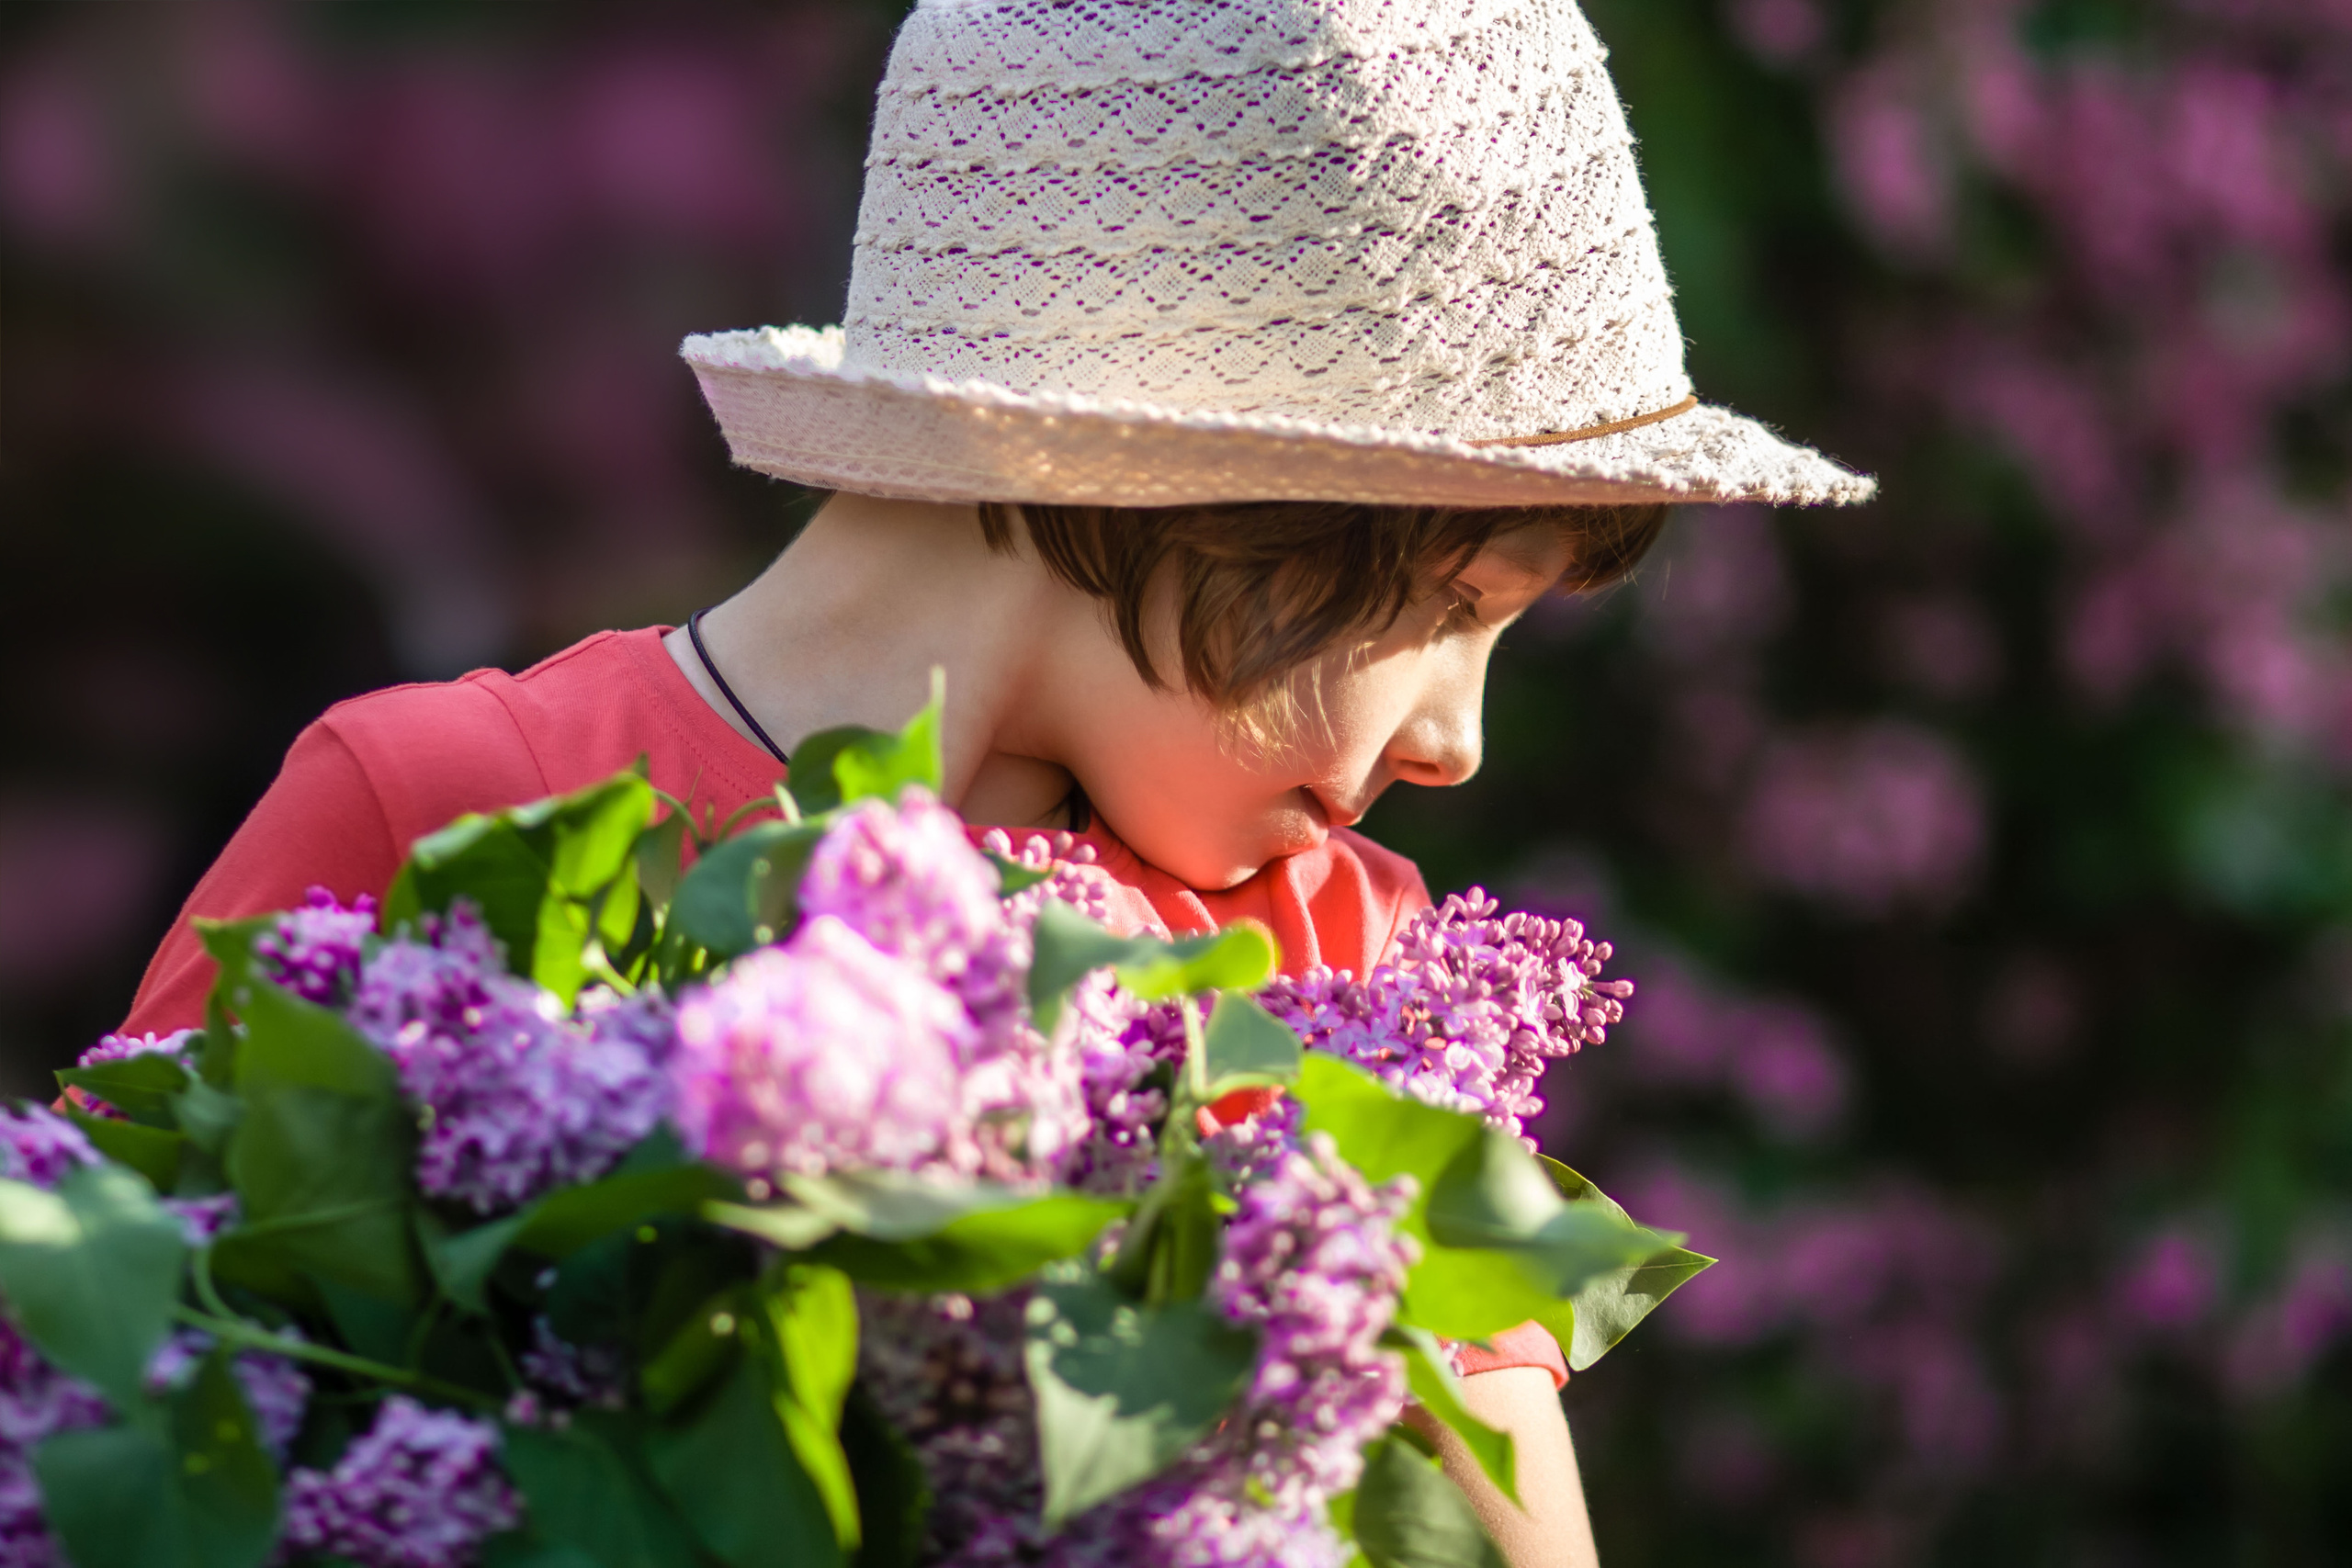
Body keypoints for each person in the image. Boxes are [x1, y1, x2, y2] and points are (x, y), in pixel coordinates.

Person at [119, 0, 1872, 1562]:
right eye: (1457, 608)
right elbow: (114, 1422)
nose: (1454, 740)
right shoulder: (446, 815)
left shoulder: (1349, 976)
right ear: (1191, 485)